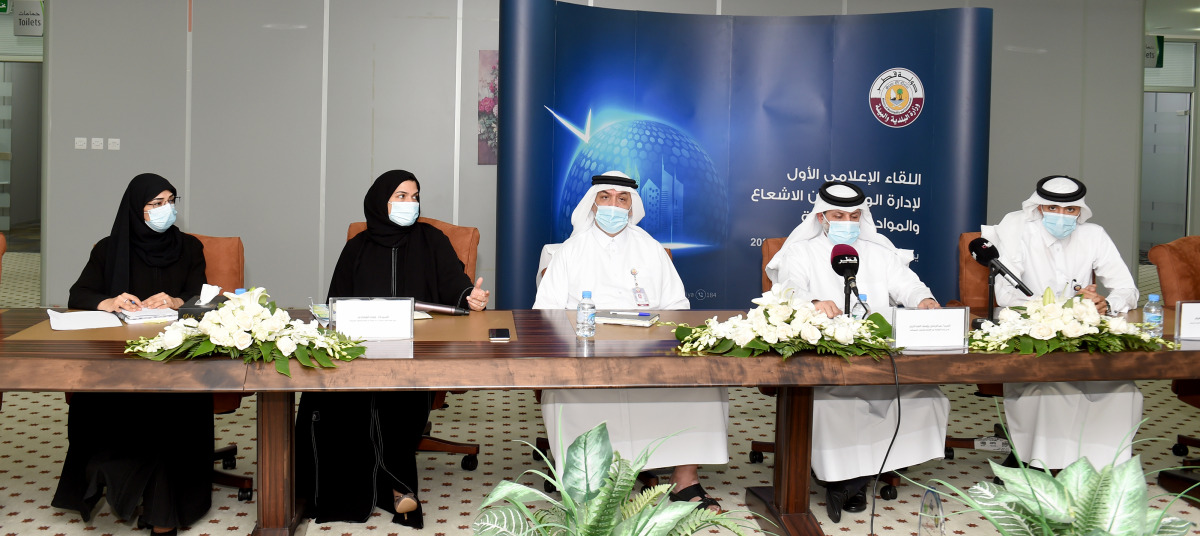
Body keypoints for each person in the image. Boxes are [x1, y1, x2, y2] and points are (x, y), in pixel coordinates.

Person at [295, 169, 490, 528]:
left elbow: (455, 285)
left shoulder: (432, 239)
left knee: (395, 399)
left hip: (416, 352)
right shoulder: (358, 245)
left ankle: (398, 488)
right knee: (328, 397)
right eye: (401, 196)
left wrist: (471, 296)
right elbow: (334, 305)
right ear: (381, 201)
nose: (410, 204)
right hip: (359, 349)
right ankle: (332, 490)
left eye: (414, 196)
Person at [533, 171, 728, 511]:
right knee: (568, 391)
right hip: (586, 356)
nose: (613, 205)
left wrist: (660, 336)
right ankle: (590, 484)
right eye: (605, 197)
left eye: (622, 199)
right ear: (593, 204)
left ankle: (685, 482)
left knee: (702, 382)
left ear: (631, 205)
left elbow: (679, 307)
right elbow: (544, 312)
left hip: (648, 353)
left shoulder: (650, 249)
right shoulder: (568, 251)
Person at [764, 181, 948, 523]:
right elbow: (788, 289)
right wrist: (815, 303)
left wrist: (922, 300)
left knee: (927, 396)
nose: (847, 221)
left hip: (878, 355)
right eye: (838, 215)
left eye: (854, 215)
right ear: (821, 218)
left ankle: (860, 473)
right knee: (834, 403)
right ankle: (847, 480)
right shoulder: (800, 252)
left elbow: (908, 284)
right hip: (824, 356)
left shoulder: (878, 252)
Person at [52, 173, 210, 535]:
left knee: (172, 408)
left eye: (171, 201)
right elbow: (80, 294)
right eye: (156, 203)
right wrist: (108, 301)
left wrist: (175, 300)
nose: (166, 209)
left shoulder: (189, 247)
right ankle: (112, 480)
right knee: (105, 403)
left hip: (176, 358)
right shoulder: (108, 249)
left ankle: (163, 507)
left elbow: (203, 296)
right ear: (136, 209)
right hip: (121, 359)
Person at [982, 175, 1141, 470]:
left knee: (1122, 390)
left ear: (1080, 212)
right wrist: (1063, 307)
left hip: (1083, 332)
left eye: (1070, 210)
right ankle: (1042, 463)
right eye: (1053, 208)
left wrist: (1107, 303)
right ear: (1039, 208)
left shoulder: (1093, 235)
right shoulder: (1017, 230)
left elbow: (1128, 289)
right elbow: (1005, 296)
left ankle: (1105, 467)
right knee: (1053, 389)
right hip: (1031, 331)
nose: (1062, 216)